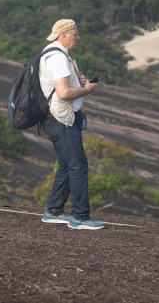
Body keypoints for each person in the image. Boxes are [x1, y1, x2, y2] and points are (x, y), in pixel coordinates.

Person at [38, 19, 105, 230]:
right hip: (62, 120)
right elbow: (64, 93)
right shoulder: (57, 57)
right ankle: (80, 217)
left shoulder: (51, 53)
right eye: (75, 34)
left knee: (67, 165)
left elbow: (63, 86)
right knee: (78, 165)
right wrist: (87, 90)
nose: (78, 38)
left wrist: (78, 81)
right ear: (64, 35)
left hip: (56, 118)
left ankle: (54, 211)